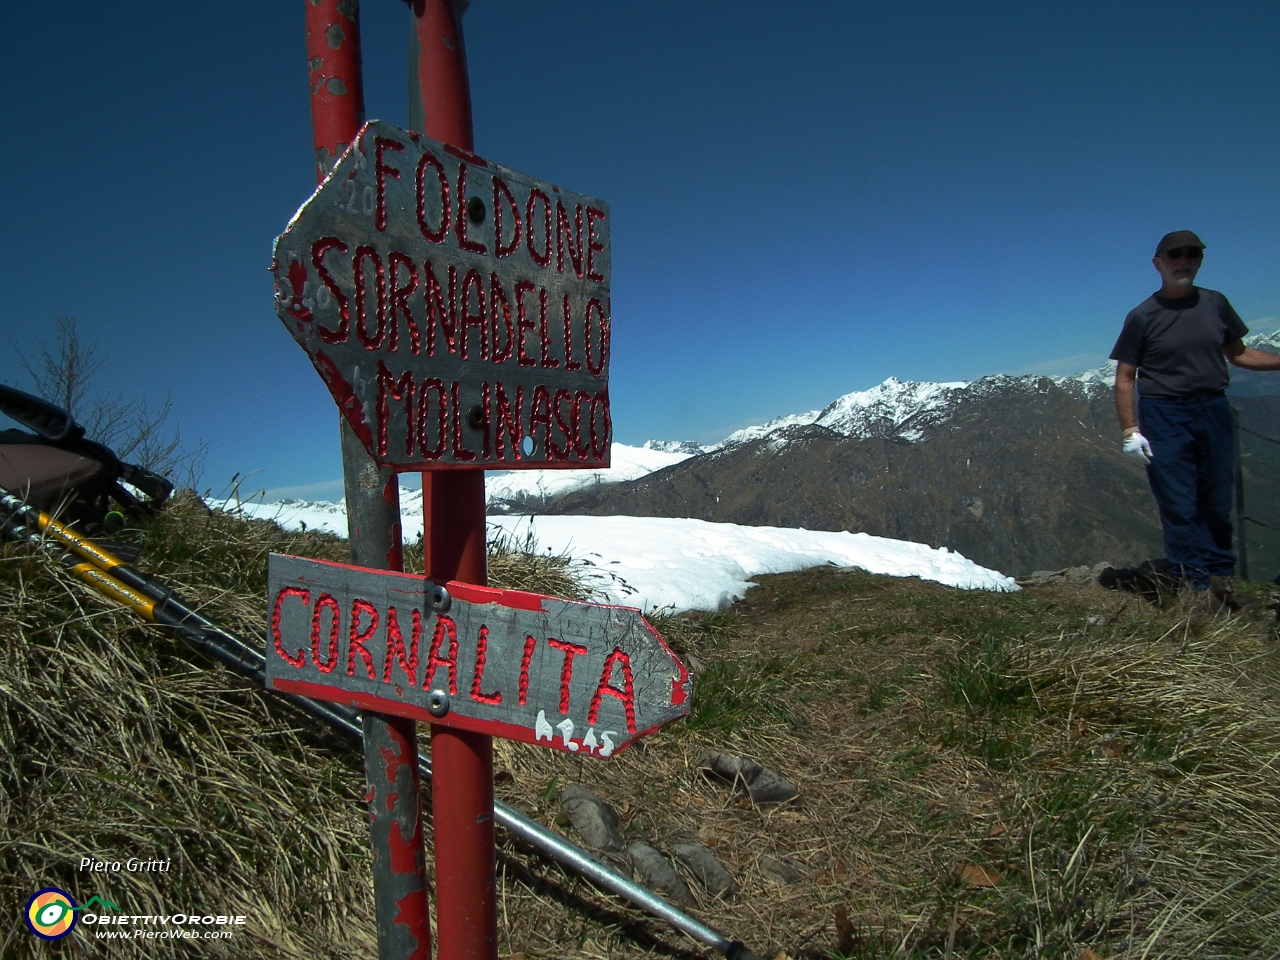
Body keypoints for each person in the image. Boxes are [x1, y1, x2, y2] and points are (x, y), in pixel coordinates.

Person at [1110, 230, 1280, 603]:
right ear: (1158, 263)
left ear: (1200, 261)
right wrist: (1130, 430)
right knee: (1179, 504)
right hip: (1164, 414)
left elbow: (1239, 354)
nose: (1183, 261)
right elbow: (1125, 378)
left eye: (1192, 255)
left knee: (1217, 499)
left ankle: (1222, 576)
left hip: (1212, 408)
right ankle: (1195, 586)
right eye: (1175, 255)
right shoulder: (1142, 316)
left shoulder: (1216, 304)